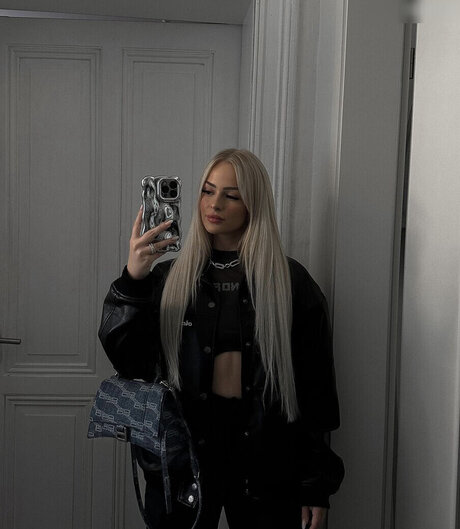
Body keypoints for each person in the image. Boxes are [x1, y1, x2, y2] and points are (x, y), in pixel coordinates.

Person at [98, 148, 344, 529]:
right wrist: (133, 279)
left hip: (267, 461)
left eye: (231, 195)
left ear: (253, 205)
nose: (214, 205)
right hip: (185, 457)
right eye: (208, 191)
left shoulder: (289, 284)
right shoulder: (167, 280)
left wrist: (315, 485)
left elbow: (315, 390)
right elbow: (128, 360)